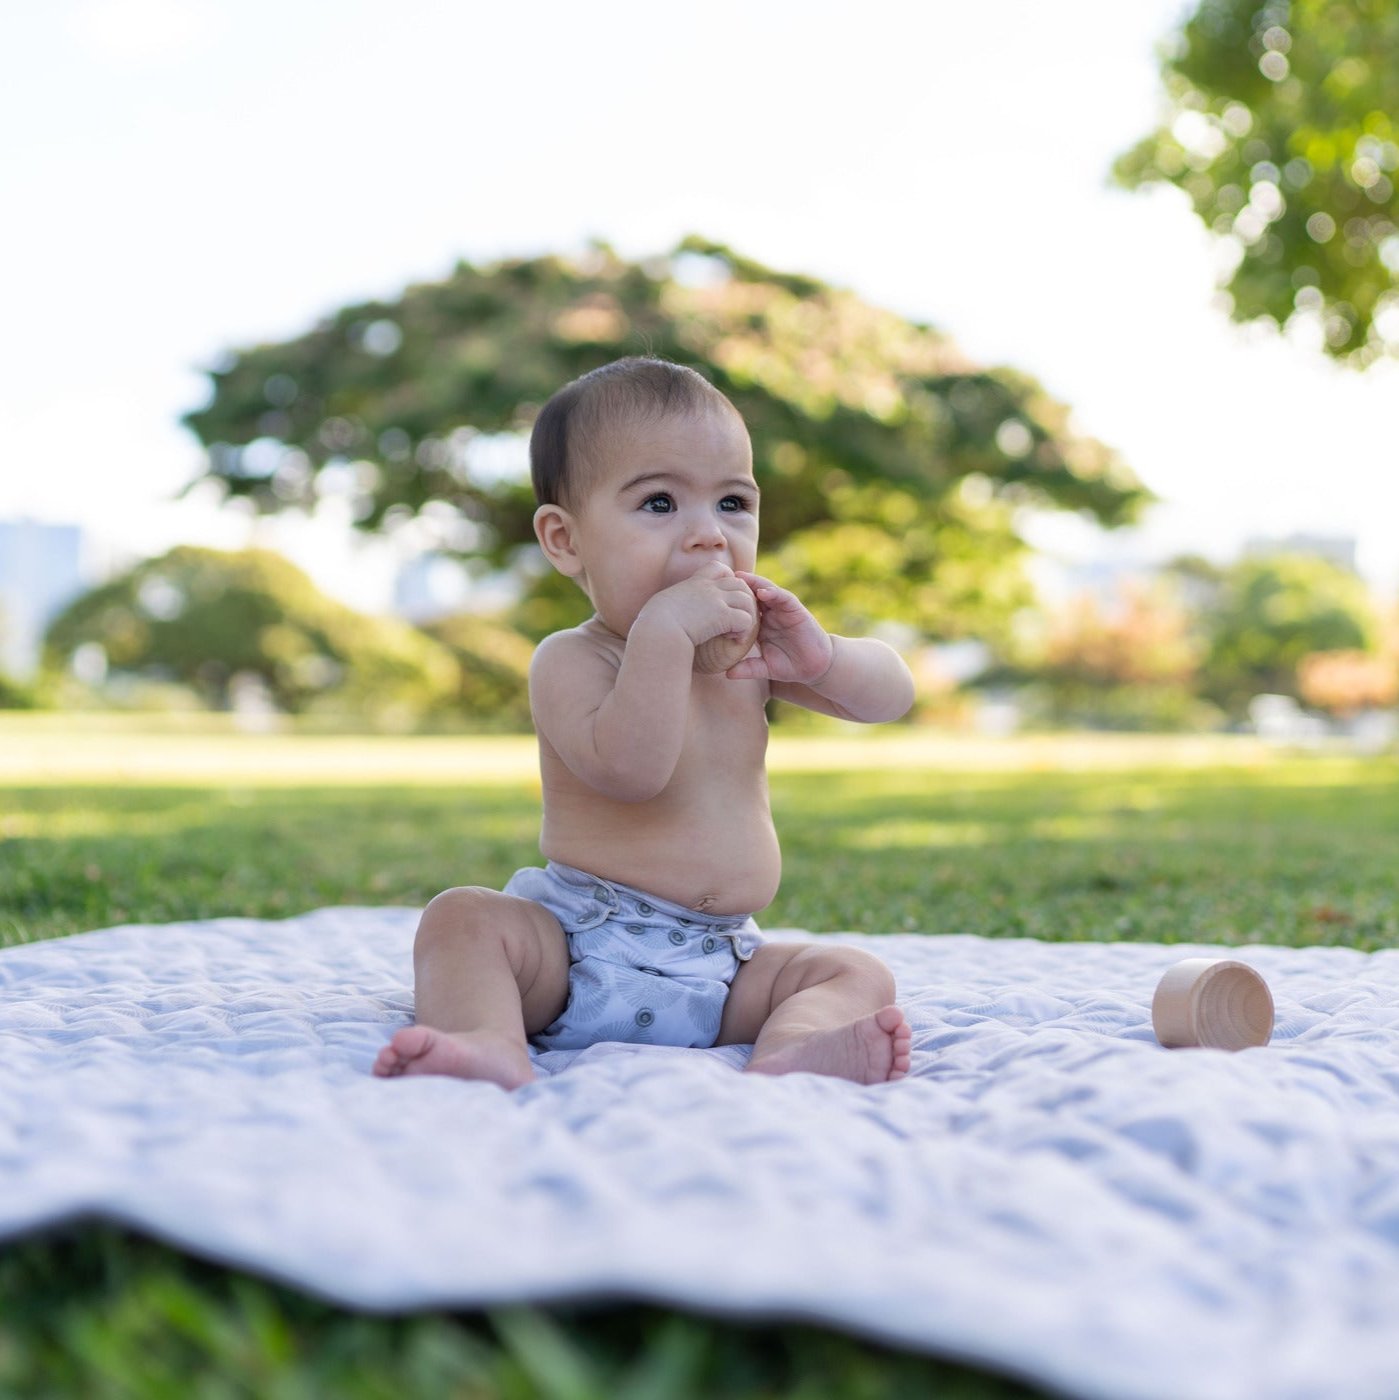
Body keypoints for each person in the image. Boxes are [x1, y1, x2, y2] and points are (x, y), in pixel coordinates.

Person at [373, 357, 916, 1090]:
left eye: (732, 504)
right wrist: (662, 638)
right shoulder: (570, 659)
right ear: (565, 540)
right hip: (575, 952)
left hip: (721, 966)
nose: (707, 536)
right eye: (659, 504)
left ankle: (793, 1047)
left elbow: (889, 698)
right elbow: (632, 771)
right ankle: (485, 1039)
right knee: (462, 919)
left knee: (851, 970)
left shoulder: (745, 653)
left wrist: (821, 660)